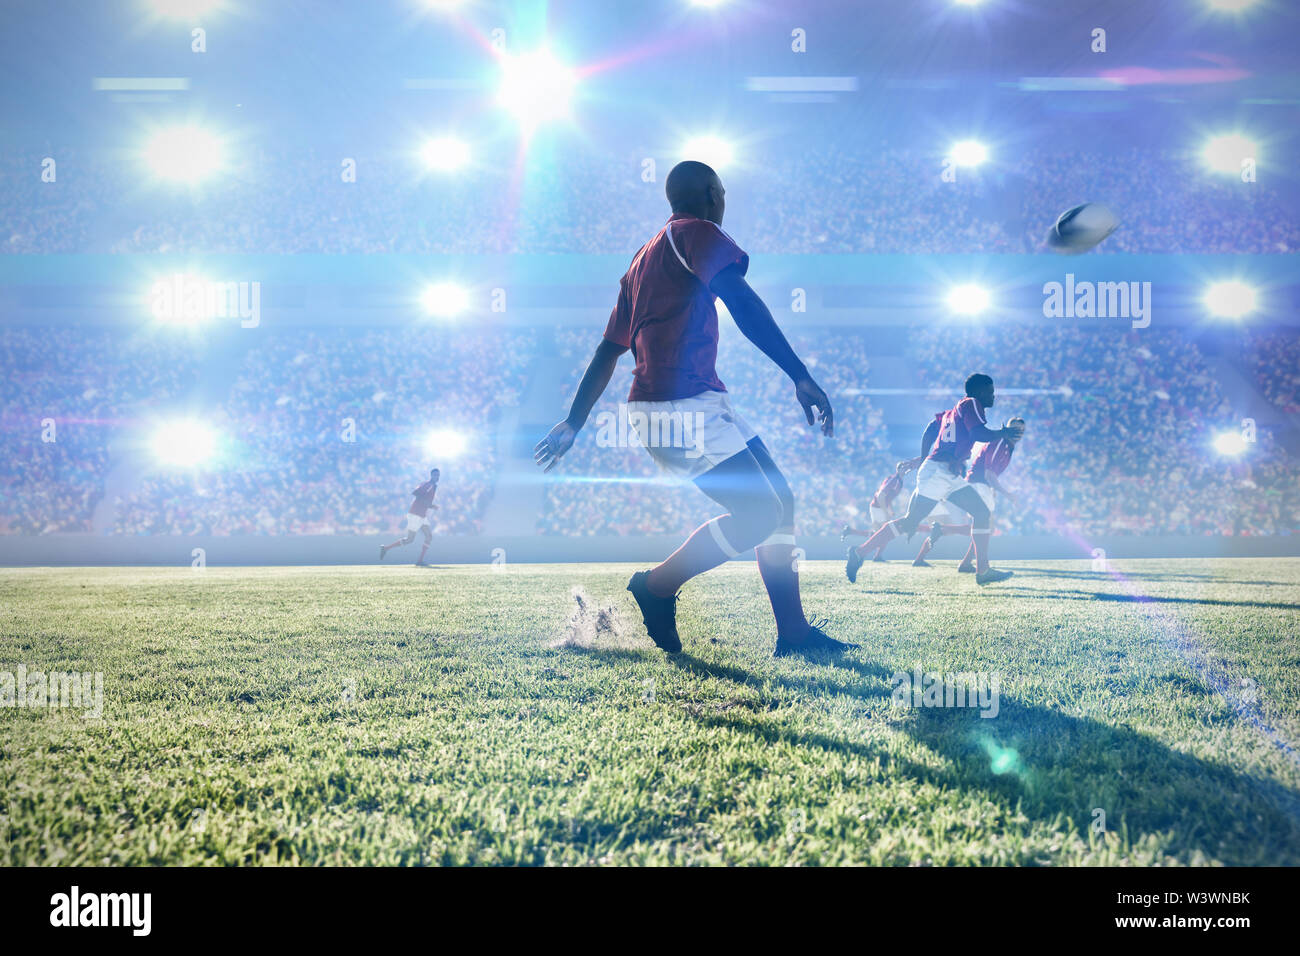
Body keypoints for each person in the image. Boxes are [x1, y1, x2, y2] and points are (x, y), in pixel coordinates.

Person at [535, 160, 856, 659]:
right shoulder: (696, 232)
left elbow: (607, 350)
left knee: (781, 503)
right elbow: (743, 304)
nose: (724, 203)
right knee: (758, 512)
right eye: (722, 193)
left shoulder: (641, 261)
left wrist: (574, 421)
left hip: (694, 400)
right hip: (677, 406)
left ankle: (794, 635)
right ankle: (656, 586)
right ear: (710, 194)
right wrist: (799, 373)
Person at [846, 374, 1023, 586]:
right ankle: (859, 552)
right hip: (939, 472)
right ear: (980, 391)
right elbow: (978, 433)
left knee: (981, 512)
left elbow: (931, 428)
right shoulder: (972, 403)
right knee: (910, 522)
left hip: (946, 472)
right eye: (990, 391)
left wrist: (923, 458)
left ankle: (983, 570)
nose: (993, 395)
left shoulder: (954, 411)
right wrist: (1002, 432)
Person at [380, 468, 439, 567]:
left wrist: (430, 505)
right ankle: (386, 548)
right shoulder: (428, 485)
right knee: (410, 539)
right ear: (431, 475)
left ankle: (420, 560)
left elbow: (422, 498)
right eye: (435, 475)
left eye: (438, 475)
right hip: (415, 514)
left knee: (429, 536)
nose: (437, 477)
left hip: (421, 515)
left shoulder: (432, 486)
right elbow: (415, 493)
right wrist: (430, 505)